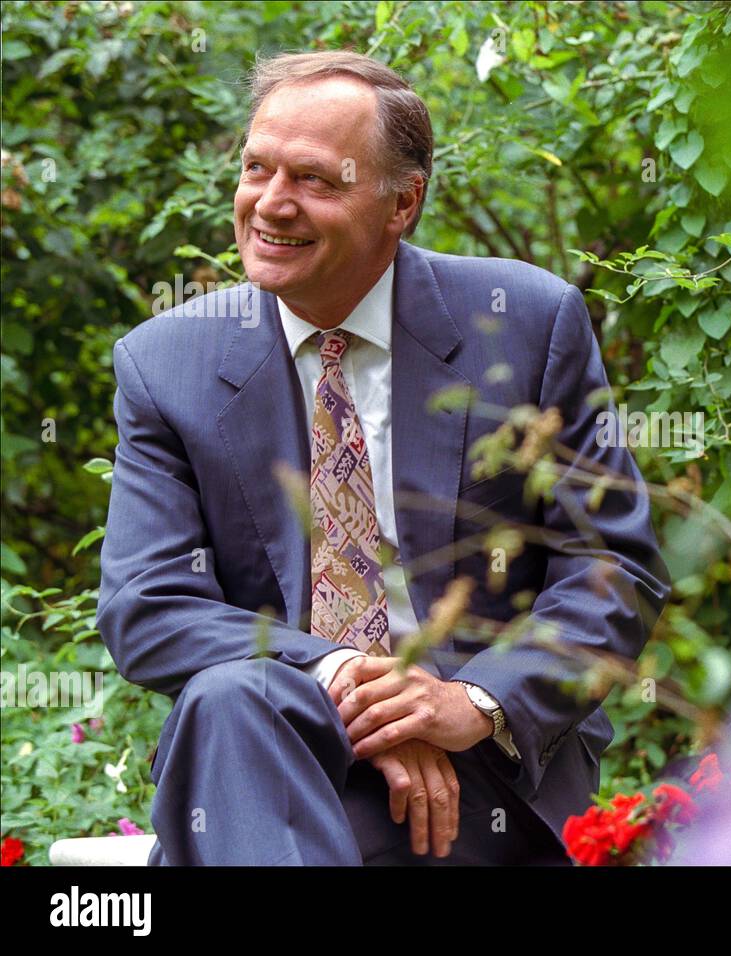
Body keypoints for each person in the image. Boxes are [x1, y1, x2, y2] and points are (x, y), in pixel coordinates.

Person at [95, 50, 670, 865]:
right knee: (233, 696)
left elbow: (613, 564)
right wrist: (345, 680)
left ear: (403, 202)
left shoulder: (527, 324)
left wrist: (472, 701)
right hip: (262, 752)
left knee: (234, 717)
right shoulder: (166, 363)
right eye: (256, 168)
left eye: (316, 181)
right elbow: (147, 605)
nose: (271, 204)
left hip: (481, 773)